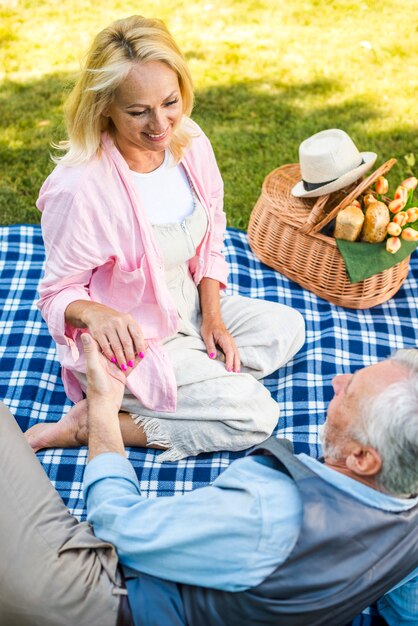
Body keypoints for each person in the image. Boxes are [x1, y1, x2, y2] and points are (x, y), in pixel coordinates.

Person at [24, 14, 305, 461]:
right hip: (132, 339)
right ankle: (96, 420)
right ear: (104, 110)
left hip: (188, 305)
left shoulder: (189, 142)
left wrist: (212, 316)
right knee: (254, 413)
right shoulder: (79, 189)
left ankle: (194, 381)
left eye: (170, 102)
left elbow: (212, 231)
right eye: (138, 112)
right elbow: (56, 294)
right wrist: (96, 313)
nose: (161, 125)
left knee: (288, 327)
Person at [2, 335, 418, 626]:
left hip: (88, 600)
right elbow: (407, 612)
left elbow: (116, 523)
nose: (337, 381)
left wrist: (104, 412)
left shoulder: (270, 508)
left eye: (350, 394)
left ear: (363, 458)